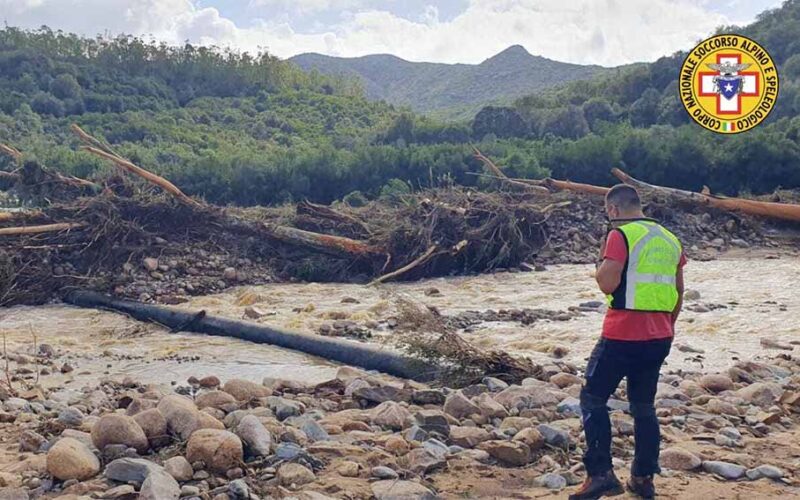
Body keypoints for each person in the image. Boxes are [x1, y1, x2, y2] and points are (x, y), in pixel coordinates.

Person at [569, 184, 686, 500]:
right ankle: (643, 478)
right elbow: (678, 292)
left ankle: (600, 475)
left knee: (593, 398)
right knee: (643, 406)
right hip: (659, 335)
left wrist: (599, 265)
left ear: (613, 210)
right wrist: (667, 327)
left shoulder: (620, 236)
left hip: (622, 333)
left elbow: (607, 281)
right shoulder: (670, 239)